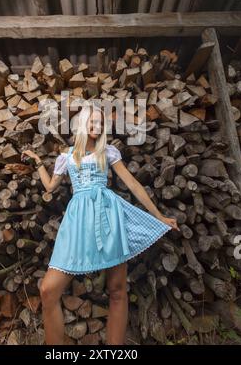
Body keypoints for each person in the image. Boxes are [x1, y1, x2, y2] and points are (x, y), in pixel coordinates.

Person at [22, 102, 179, 345]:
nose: (97, 126)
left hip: (108, 217)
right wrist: (38, 162)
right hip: (77, 223)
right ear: (82, 124)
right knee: (48, 290)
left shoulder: (108, 153)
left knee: (117, 291)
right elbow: (50, 187)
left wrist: (159, 215)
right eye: (92, 121)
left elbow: (133, 185)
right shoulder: (67, 156)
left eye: (101, 123)